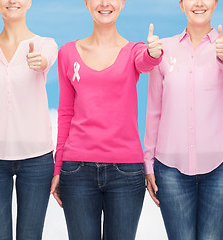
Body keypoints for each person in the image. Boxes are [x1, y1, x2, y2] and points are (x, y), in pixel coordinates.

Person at [49, 0, 163, 239]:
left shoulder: (135, 51)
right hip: (76, 170)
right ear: (87, 3)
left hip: (126, 173)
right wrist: (58, 166)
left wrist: (154, 53)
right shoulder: (67, 53)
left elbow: (147, 62)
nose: (104, 3)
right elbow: (65, 113)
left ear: (122, 3)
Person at [143, 0, 223, 239]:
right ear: (181, 5)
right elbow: (154, 109)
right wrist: (148, 163)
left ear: (216, 3)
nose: (199, 3)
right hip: (170, 168)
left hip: (221, 166)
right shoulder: (163, 49)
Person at [0, 0, 58, 239]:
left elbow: (46, 59)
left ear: (29, 2)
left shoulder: (45, 45)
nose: (12, 1)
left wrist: (40, 62)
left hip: (37, 159)